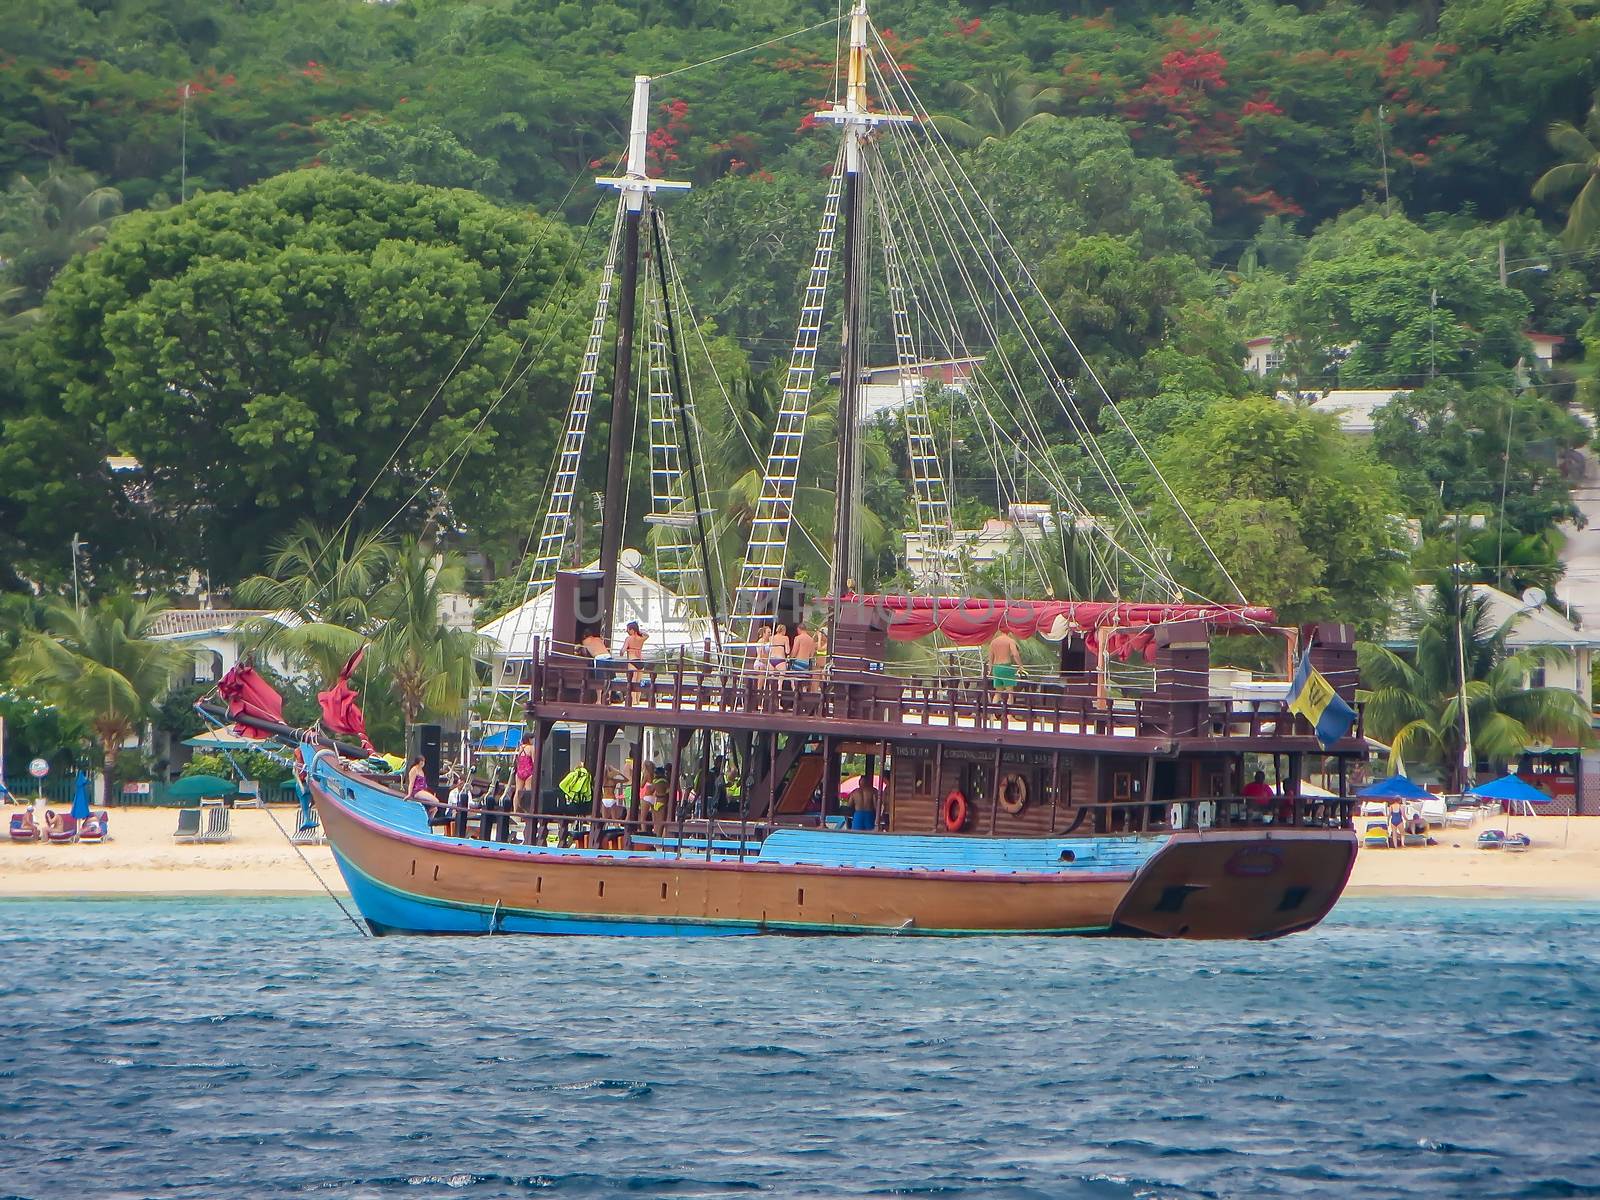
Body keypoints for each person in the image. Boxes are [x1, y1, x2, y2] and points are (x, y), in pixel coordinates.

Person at [622, 619, 649, 685]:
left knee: (632, 683)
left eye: (628, 629)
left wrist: (622, 652)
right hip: (640, 660)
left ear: (632, 630)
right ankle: (637, 696)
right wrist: (638, 631)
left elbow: (623, 650)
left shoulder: (628, 638)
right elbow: (647, 635)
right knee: (638, 683)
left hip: (632, 660)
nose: (627, 631)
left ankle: (632, 696)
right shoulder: (641, 638)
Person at [512, 739, 536, 811]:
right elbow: (534, 761)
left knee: (517, 791)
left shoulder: (520, 748)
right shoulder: (531, 748)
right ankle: (528, 810)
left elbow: (516, 760)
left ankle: (515, 810)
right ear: (529, 739)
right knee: (529, 792)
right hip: (529, 772)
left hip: (520, 772)